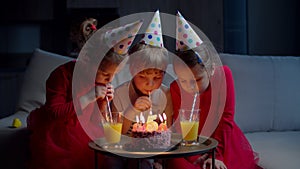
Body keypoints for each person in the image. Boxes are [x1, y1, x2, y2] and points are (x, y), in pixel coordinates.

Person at [26, 20, 143, 169]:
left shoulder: (100, 81)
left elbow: (95, 120)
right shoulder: (62, 75)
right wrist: (88, 97)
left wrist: (103, 103)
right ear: (87, 62)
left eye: (114, 75)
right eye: (105, 74)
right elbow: (54, 113)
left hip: (85, 132)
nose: (110, 80)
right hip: (58, 133)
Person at [166, 12, 260, 169]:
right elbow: (179, 129)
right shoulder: (175, 88)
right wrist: (194, 155)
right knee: (175, 163)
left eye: (197, 80)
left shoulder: (223, 76)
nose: (190, 86)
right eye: (183, 80)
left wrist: (216, 155)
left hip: (221, 142)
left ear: (210, 70)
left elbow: (226, 118)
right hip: (191, 148)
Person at [111, 10, 173, 169]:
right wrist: (131, 111)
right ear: (132, 70)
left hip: (153, 155)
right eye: (143, 77)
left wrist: (160, 161)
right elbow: (115, 136)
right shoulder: (119, 94)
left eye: (157, 78)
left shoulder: (166, 95)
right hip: (122, 153)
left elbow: (167, 134)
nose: (150, 83)